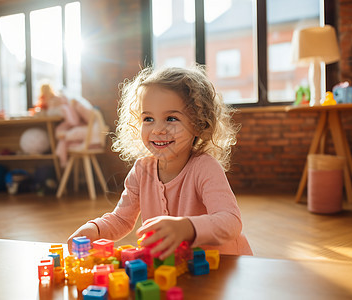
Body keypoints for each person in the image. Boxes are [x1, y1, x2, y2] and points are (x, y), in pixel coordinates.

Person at [67, 65, 253, 259]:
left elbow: (230, 222)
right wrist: (94, 229)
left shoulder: (205, 168)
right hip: (178, 267)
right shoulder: (141, 170)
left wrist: (187, 227)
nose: (158, 130)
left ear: (199, 124)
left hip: (222, 264)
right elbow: (122, 219)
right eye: (148, 119)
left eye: (171, 118)